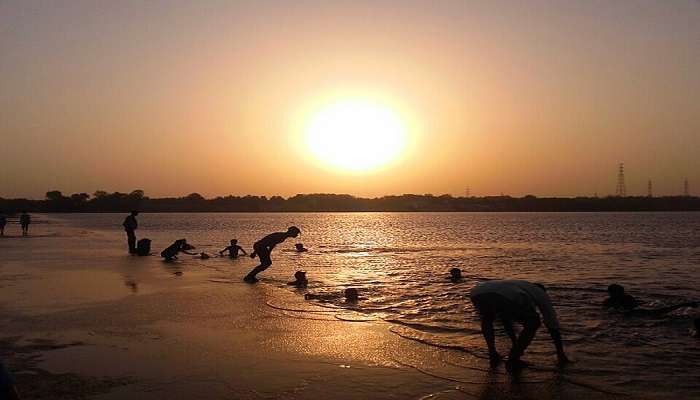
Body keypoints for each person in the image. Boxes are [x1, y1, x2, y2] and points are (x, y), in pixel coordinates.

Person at [470, 279, 568, 371]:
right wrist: (560, 352)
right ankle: (513, 359)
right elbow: (551, 321)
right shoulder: (539, 293)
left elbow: (506, 320)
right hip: (504, 295)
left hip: (477, 292)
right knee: (533, 323)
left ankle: (493, 353)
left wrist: (514, 342)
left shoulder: (519, 285)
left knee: (487, 318)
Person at [604, 284, 698, 316]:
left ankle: (685, 304)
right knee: (664, 311)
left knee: (663, 311)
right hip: (638, 312)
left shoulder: (609, 302)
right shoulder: (608, 301)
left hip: (639, 312)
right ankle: (686, 304)